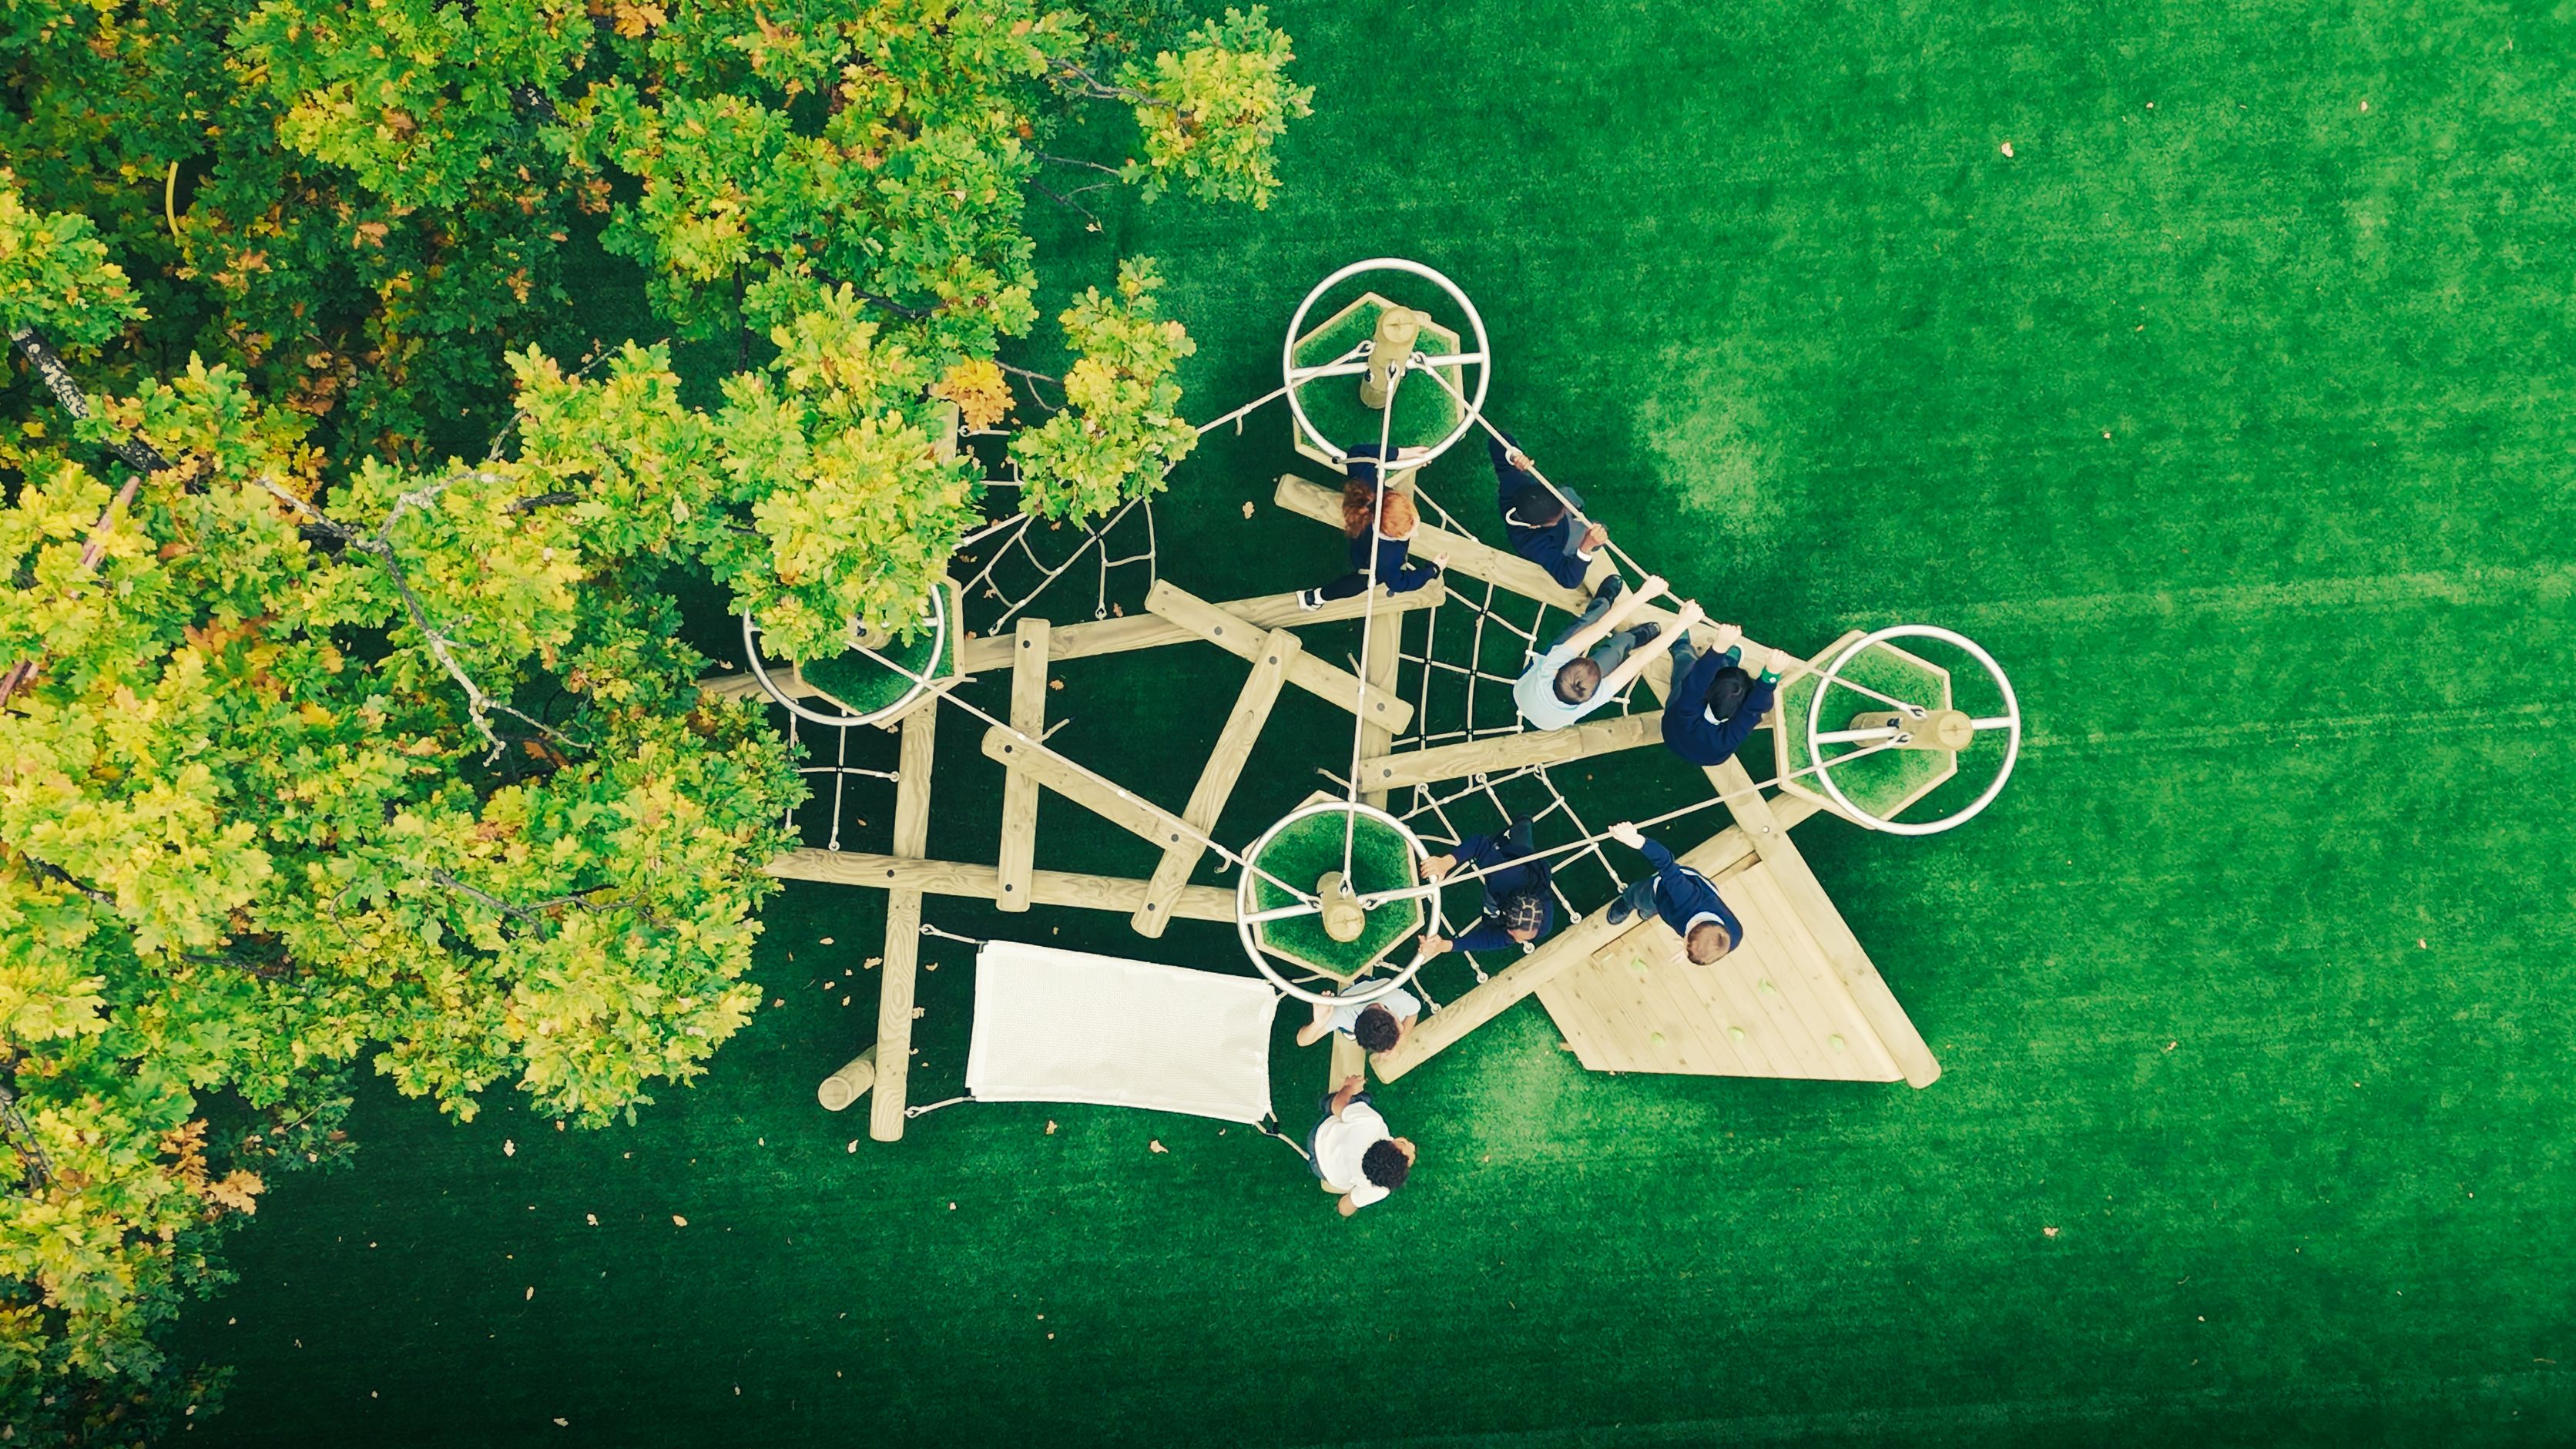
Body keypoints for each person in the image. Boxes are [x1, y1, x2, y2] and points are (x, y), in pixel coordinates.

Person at [1511, 572, 1702, 730]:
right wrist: (1682, 624)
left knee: (1586, 624)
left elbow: (1599, 629)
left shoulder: (1549, 667)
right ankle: (1630, 638)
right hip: (1537, 707)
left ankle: (1603, 602)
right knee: (1612, 653)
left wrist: (1643, 595)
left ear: (1557, 672)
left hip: (1525, 690)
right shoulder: (1594, 698)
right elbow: (1638, 661)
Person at [1409, 814, 1555, 964]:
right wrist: (1445, 862)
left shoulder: (1544, 927)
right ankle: (1516, 830)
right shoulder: (1503, 877)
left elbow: (1491, 940)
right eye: (1518, 936)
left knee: (1526, 850)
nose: (1518, 942)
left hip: (1532, 873)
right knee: (1520, 850)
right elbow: (1479, 844)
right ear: (1506, 917)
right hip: (1513, 871)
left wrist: (1444, 946)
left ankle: (1522, 825)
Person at [1604, 820, 1743, 965]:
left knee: (1657, 910)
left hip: (1675, 910)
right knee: (1640, 896)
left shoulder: (1732, 938)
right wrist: (1636, 840)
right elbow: (1666, 863)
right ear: (1696, 923)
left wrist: (1690, 949)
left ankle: (1651, 911)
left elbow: (1707, 944)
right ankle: (1628, 902)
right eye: (1685, 940)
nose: (1683, 944)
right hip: (1663, 890)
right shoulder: (1686, 897)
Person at [1662, 623, 1797, 768]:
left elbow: (1698, 678)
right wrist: (1771, 675)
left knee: (1687, 667)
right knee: (1694, 677)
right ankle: (1728, 663)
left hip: (1672, 734)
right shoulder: (1731, 736)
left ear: (1708, 690)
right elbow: (1754, 708)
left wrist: (1720, 646)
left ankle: (1681, 647)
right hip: (1707, 757)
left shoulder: (1686, 709)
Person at [1296, 481, 1444, 609]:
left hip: (1360, 546)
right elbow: (1399, 584)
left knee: (1361, 561)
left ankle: (1313, 598)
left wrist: (1402, 454)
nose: (1416, 534)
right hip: (1369, 568)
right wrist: (1432, 570)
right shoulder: (1388, 560)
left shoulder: (1379, 500)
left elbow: (1359, 455)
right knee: (1359, 582)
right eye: (1408, 532)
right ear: (1389, 533)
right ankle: (1315, 598)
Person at [1491, 433, 1608, 592]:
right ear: (1534, 527)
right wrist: (1586, 547)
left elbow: (1496, 440)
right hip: (1566, 539)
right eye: (1560, 516)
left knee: (1568, 494)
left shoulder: (1514, 484)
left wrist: (1515, 457)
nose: (1566, 510)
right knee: (1599, 533)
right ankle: (1588, 542)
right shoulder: (1530, 543)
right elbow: (1569, 580)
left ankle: (1574, 508)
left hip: (1554, 505)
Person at [1309, 1074, 1415, 1216]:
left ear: (1382, 1143)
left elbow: (1337, 1106)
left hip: (1320, 1135)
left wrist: (1349, 1087)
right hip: (1322, 1169)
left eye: (1404, 1144)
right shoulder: (1379, 1189)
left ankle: (1324, 1102)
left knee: (1362, 1100)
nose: (1413, 1146)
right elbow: (1344, 1207)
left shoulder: (1371, 1123)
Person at [1294, 985, 1422, 1054]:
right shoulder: (1340, 1012)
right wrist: (1317, 1024)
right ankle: (1349, 1033)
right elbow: (1302, 1041)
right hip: (1351, 997)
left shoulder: (1398, 998)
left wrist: (1401, 1041)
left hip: (1368, 986)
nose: (1402, 1029)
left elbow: (1414, 1011)